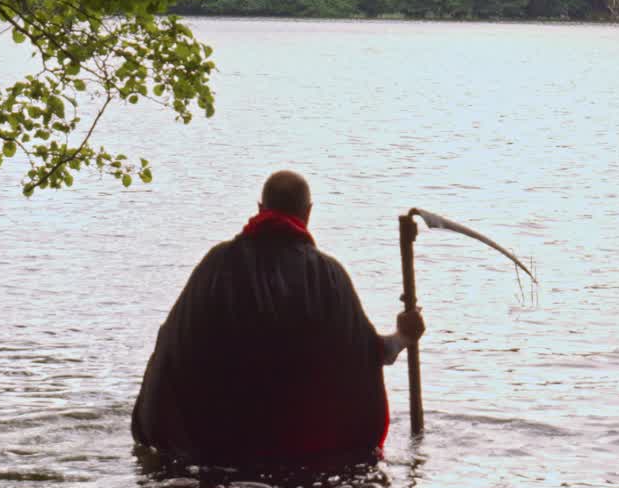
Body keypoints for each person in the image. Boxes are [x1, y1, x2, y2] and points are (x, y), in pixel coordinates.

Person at [131, 170, 425, 466]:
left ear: (260, 208)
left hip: (216, 447)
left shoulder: (217, 265)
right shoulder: (327, 276)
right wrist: (404, 336)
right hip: (299, 453)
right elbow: (368, 354)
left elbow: (173, 348)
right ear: (308, 213)